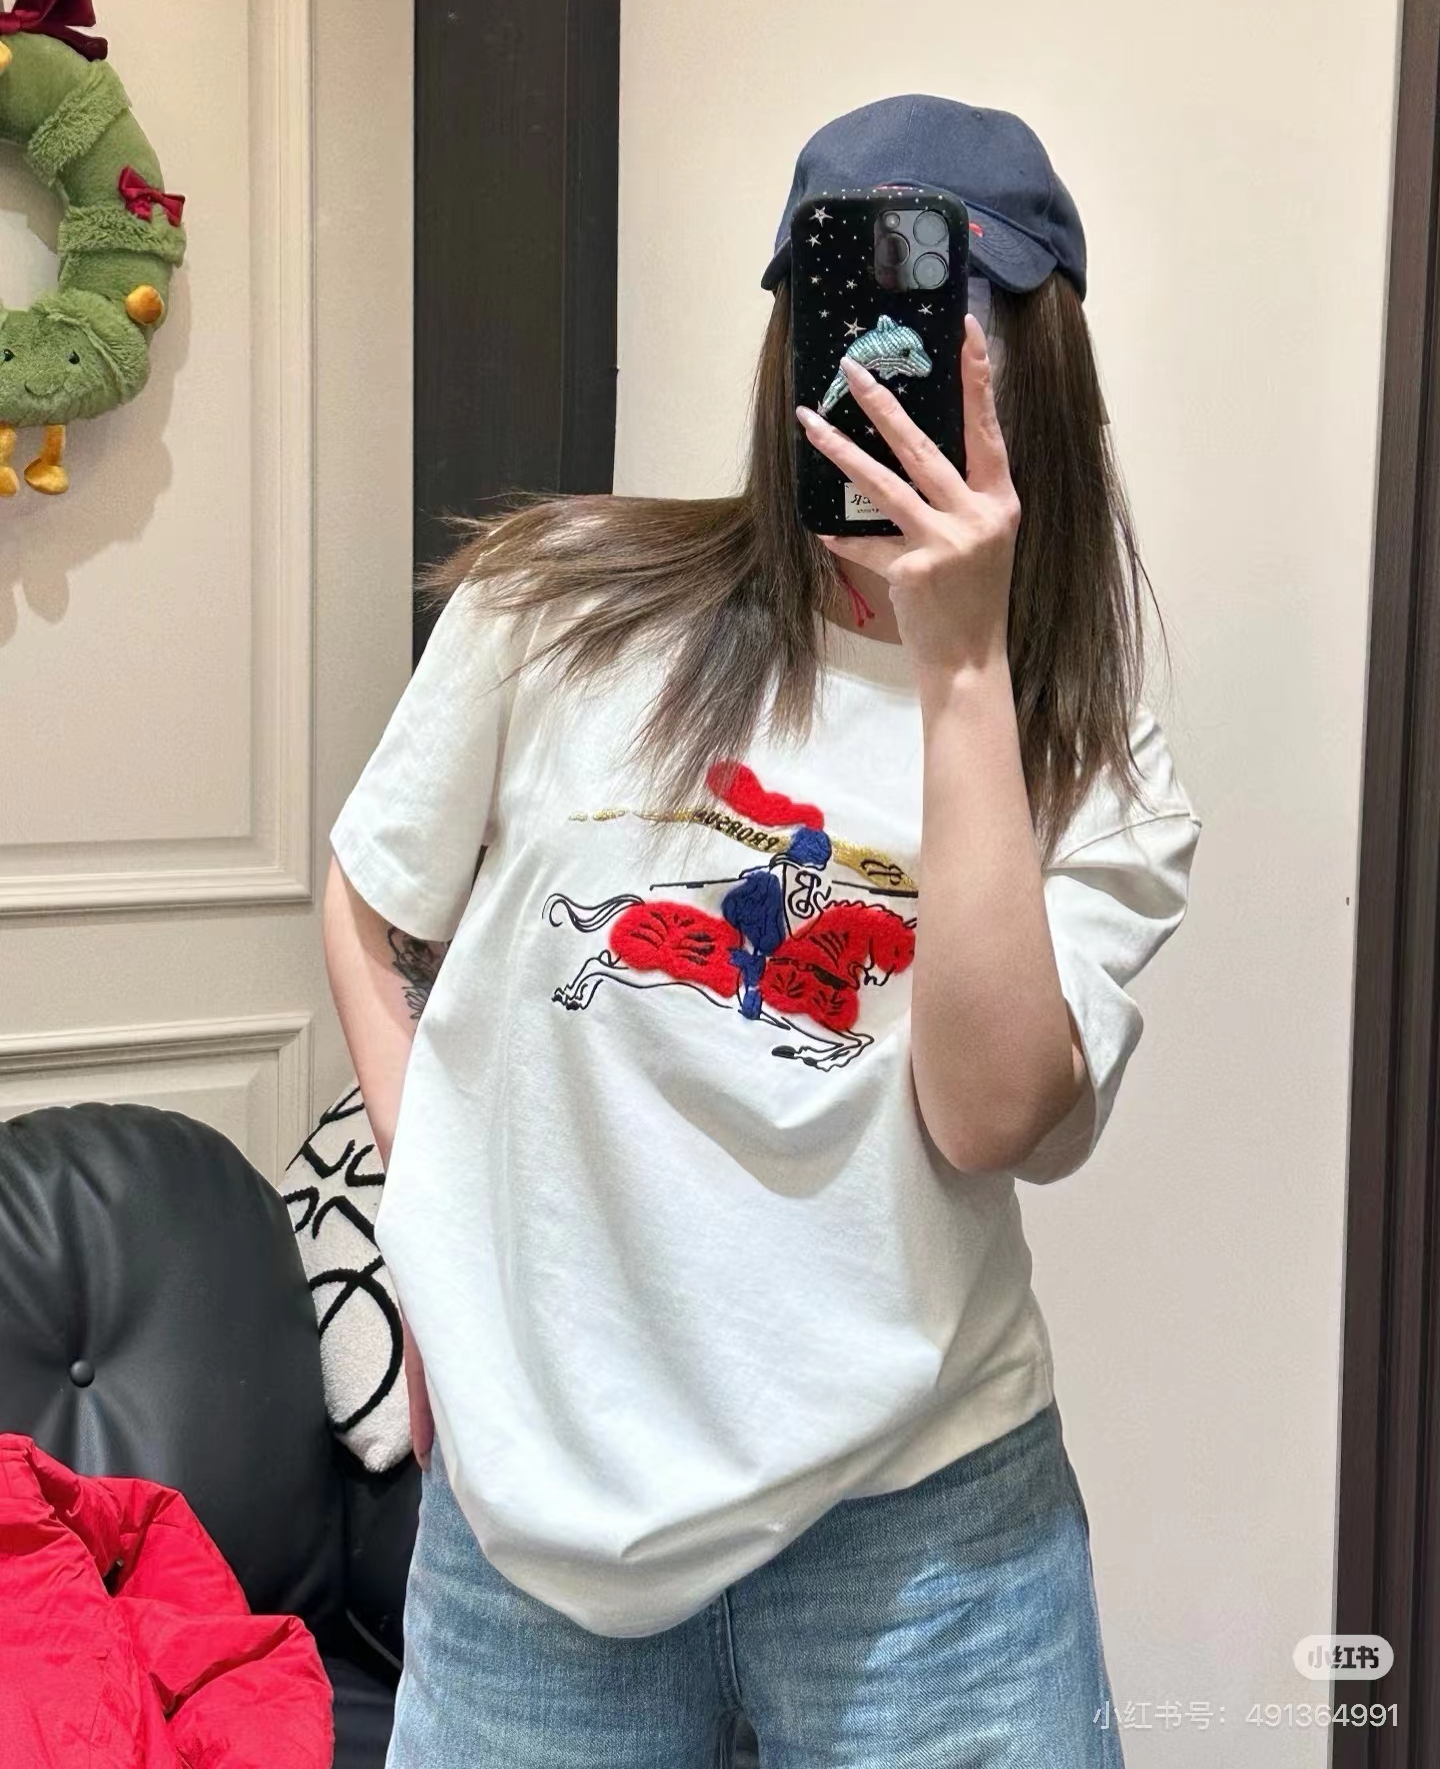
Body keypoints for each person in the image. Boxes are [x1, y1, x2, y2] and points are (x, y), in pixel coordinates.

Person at [323, 92, 1202, 1768]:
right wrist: (433, 1248)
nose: (890, 366)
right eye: (843, 305)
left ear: (1035, 371)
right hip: (538, 1538)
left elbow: (989, 1117)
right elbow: (371, 903)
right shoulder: (557, 608)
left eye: (952, 318)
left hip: (928, 1548)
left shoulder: (1092, 757)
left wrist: (960, 669)